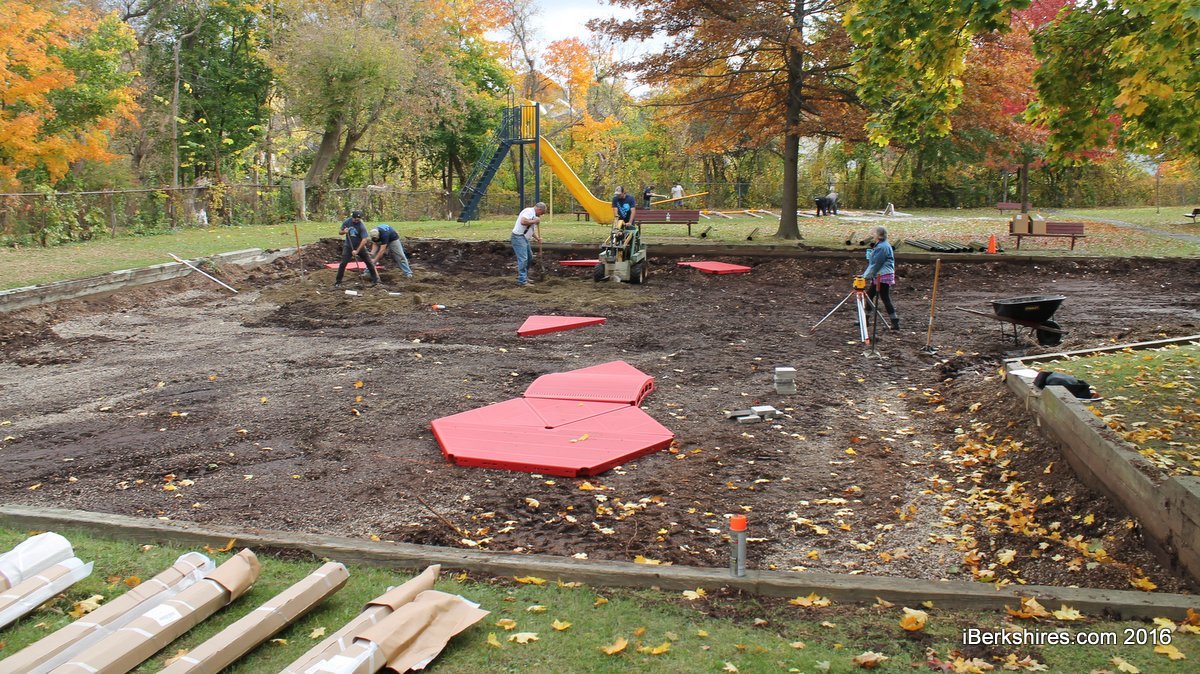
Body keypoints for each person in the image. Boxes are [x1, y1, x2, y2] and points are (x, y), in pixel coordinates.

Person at [862, 225, 900, 330]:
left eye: (874, 233)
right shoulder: (882, 245)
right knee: (880, 297)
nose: (873, 235)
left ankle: (866, 319)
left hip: (882, 276)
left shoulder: (882, 247)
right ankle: (894, 321)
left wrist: (865, 276)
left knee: (872, 296)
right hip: (883, 275)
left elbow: (876, 264)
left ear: (878, 235)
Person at [334, 210, 380, 288]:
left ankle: (375, 280)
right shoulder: (347, 222)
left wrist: (357, 251)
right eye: (355, 219)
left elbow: (364, 240)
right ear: (352, 217)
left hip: (360, 246)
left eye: (358, 219)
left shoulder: (361, 226)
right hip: (348, 246)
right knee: (343, 263)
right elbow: (340, 232)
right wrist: (344, 231)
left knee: (369, 262)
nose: (356, 220)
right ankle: (338, 282)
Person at [511, 202, 545, 286]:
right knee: (523, 259)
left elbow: (530, 229)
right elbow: (523, 221)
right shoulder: (528, 211)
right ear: (539, 209)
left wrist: (537, 238)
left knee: (529, 257)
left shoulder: (533, 214)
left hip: (524, 238)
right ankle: (522, 281)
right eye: (542, 213)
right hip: (518, 237)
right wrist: (534, 220)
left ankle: (524, 277)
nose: (541, 215)